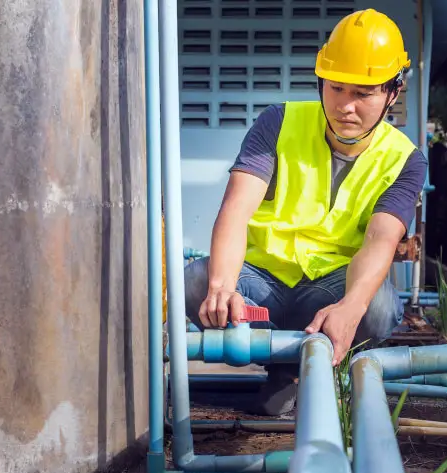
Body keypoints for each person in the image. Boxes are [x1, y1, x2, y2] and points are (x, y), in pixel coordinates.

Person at [183, 8, 428, 416]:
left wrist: (351, 308)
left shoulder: (405, 160)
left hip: (329, 290)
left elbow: (380, 240)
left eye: (363, 94)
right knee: (195, 282)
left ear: (392, 92)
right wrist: (223, 284)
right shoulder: (279, 122)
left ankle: (291, 374)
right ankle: (288, 369)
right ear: (320, 81)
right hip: (258, 283)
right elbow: (236, 208)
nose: (346, 106)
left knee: (379, 306)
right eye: (336, 89)